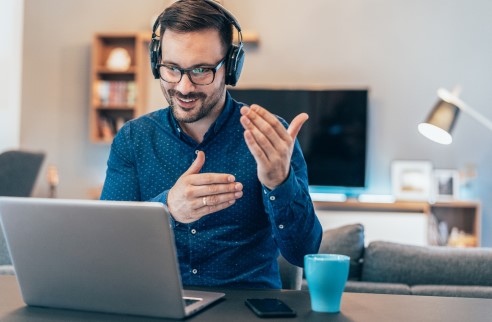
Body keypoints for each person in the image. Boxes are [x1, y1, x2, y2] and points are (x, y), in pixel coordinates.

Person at [101, 0, 322, 289]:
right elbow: (108, 245)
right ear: (157, 63)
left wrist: (279, 182)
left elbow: (304, 254)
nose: (183, 87)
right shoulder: (133, 139)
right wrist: (166, 209)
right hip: (157, 304)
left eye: (201, 70)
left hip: (245, 309)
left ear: (230, 67)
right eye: (171, 68)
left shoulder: (272, 137)